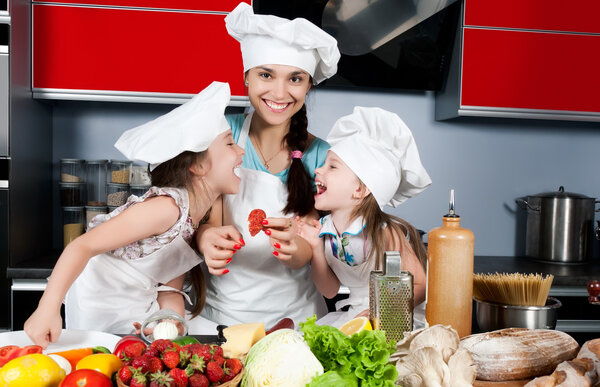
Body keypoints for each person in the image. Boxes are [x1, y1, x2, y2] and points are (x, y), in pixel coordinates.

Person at [24, 82, 244, 347]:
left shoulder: (194, 218)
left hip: (140, 306)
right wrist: (47, 308)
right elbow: (81, 246)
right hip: (101, 307)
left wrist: (169, 320)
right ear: (197, 165)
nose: (240, 151)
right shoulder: (167, 208)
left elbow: (169, 288)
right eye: (230, 144)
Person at [196, 3, 341, 327]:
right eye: (265, 75)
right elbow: (207, 218)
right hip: (221, 320)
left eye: (295, 78)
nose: (279, 91)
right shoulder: (221, 134)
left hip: (298, 322)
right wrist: (207, 238)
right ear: (246, 77)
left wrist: (296, 248)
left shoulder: (320, 155)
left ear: (308, 85)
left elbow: (310, 242)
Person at [296, 106, 432, 328]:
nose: (318, 171)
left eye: (332, 166)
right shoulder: (325, 228)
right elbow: (330, 291)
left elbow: (418, 285)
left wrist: (376, 313)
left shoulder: (385, 231)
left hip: (393, 319)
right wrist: (316, 250)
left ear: (359, 190)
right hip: (355, 315)